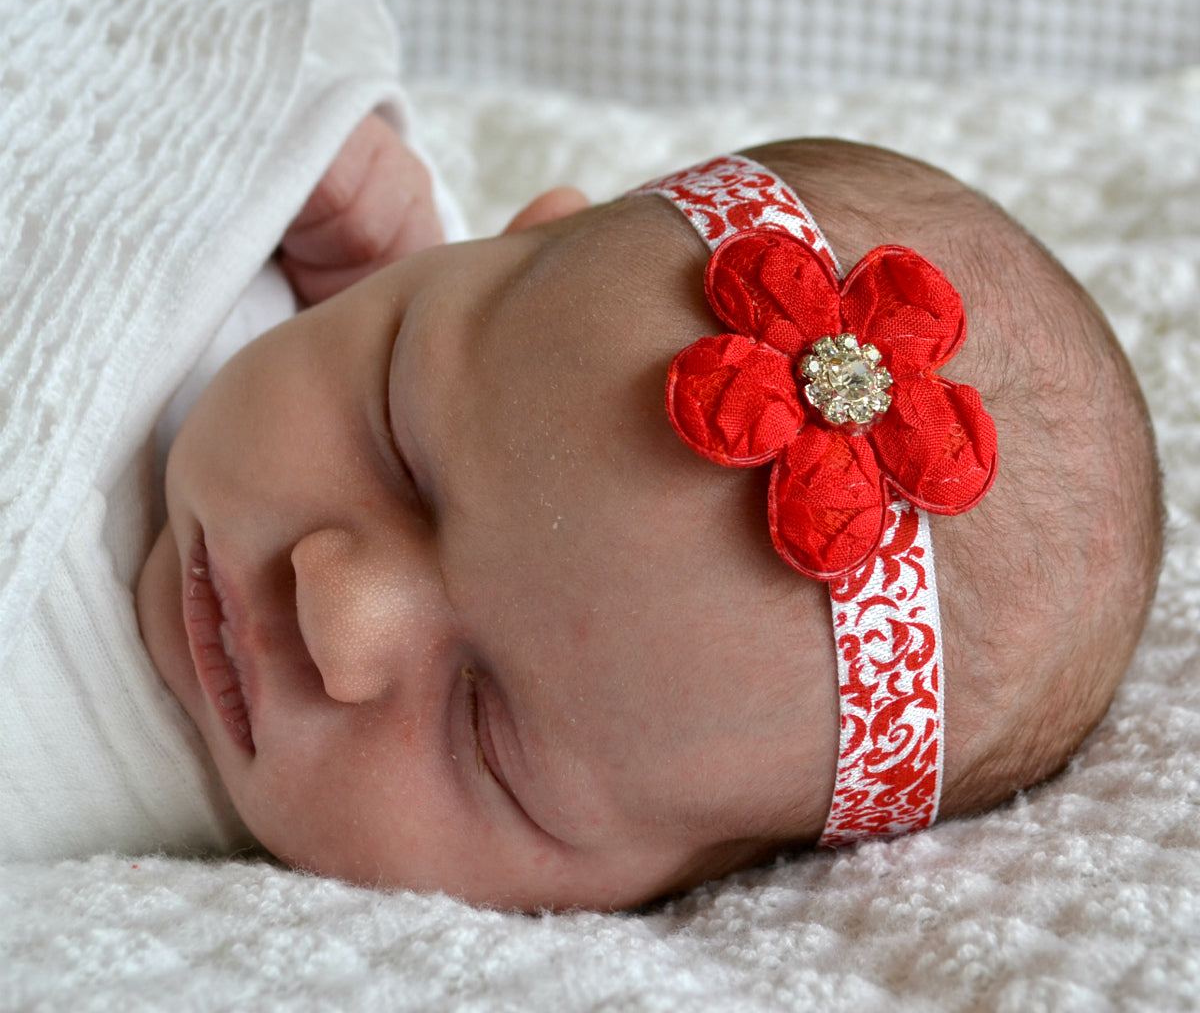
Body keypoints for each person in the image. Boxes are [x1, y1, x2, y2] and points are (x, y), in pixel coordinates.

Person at [137, 115, 1163, 912]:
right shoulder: (279, 235)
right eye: (395, 438)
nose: (336, 610)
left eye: (484, 737)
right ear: (499, 240)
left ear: (665, 891)